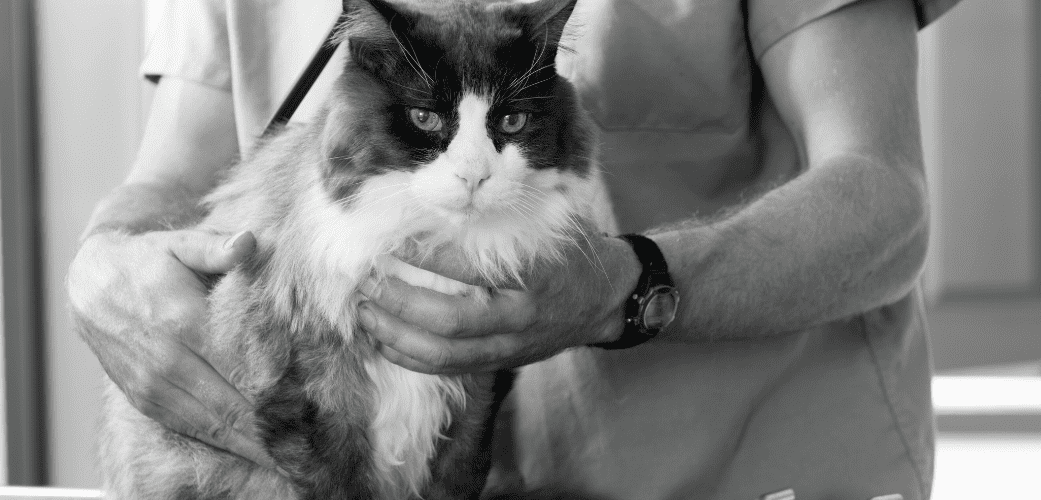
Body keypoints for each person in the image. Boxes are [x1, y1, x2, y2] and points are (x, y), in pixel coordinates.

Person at [66, 0, 961, 497]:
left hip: (737, 474)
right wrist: (105, 258)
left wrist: (630, 285)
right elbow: (174, 177)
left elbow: (887, 197)